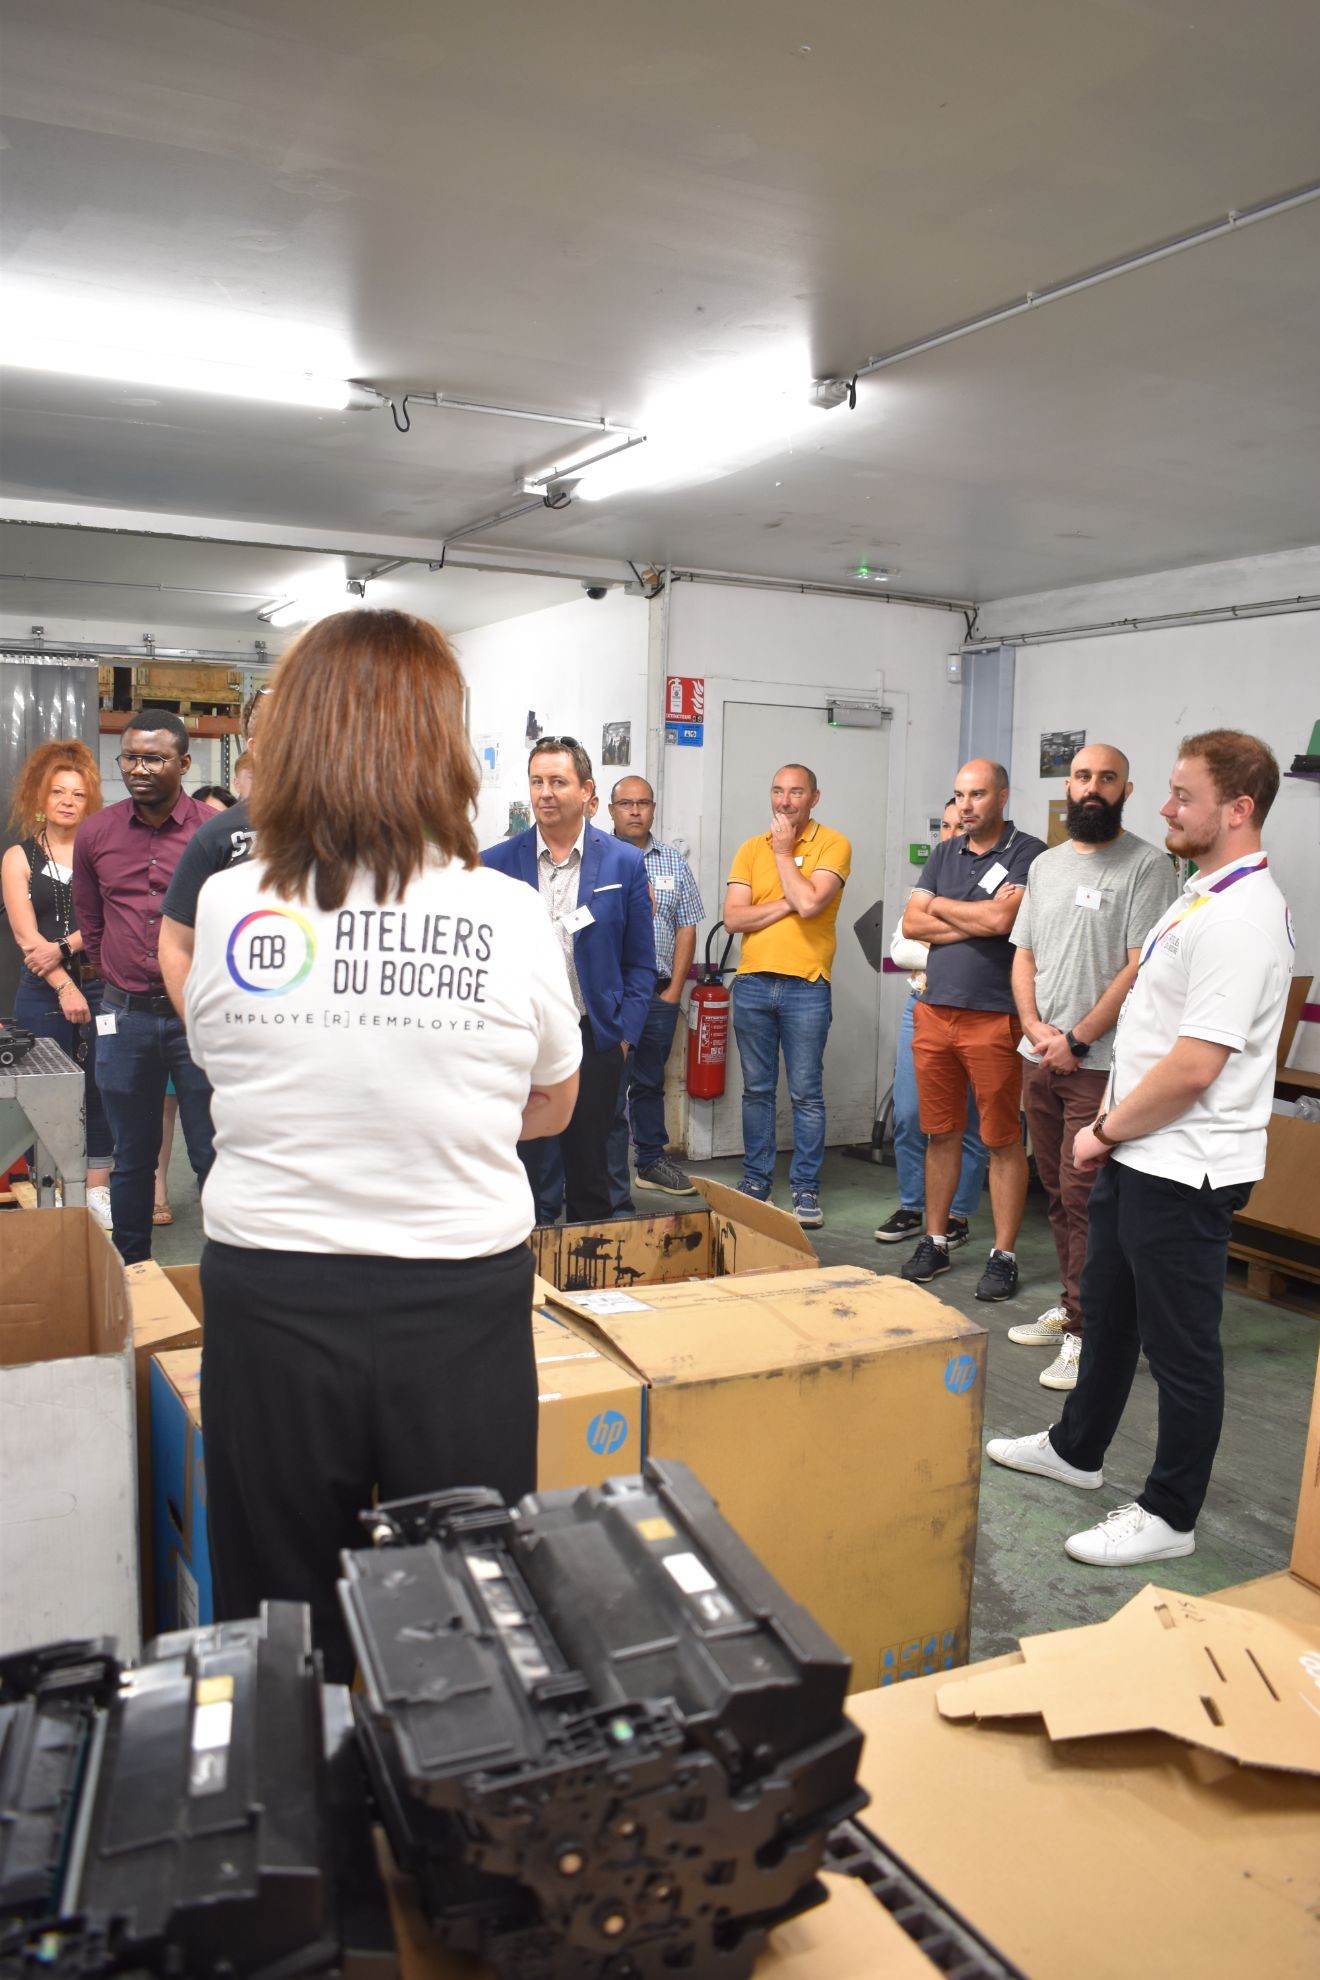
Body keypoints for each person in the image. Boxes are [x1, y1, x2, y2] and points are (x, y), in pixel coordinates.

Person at [175, 609, 581, 1680]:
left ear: (292, 740)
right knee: (466, 1612)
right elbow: (554, 1102)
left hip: (270, 1296)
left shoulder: (227, 902)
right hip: (458, 1304)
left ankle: (305, 1825)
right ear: (440, 745)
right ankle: (446, 1825)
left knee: (281, 1616)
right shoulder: (506, 911)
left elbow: (230, 1071)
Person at [988, 731, 1293, 1568]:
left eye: (1183, 797)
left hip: (1184, 1166)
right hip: (1141, 1154)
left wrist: (1102, 1130)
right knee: (1111, 1315)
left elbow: (1196, 1065)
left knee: (1184, 1347)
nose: (1165, 808)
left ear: (1237, 811)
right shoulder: (1199, 892)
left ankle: (1170, 1512)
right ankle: (1077, 1450)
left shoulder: (1240, 918)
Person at [1008, 745, 1176, 1389]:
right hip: (1038, 1054)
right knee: (1052, 1188)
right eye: (1083, 777)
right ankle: (1075, 1305)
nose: (1093, 788)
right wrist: (1032, 1028)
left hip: (1099, 1062)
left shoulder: (1147, 866)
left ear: (1126, 789)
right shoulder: (1046, 866)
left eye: (1107, 778)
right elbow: (1023, 955)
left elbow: (1138, 967)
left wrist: (1076, 1040)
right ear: (1068, 786)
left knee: (1086, 1198)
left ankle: (1090, 1331)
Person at [482, 737, 654, 1223]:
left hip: (593, 1036)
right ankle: (525, 1274)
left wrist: (623, 1036)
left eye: (558, 782)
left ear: (586, 792)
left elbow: (640, 962)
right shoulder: (494, 863)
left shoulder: (623, 862)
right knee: (521, 1168)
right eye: (537, 781)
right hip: (519, 1037)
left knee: (590, 1169)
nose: (545, 793)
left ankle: (588, 1275)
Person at [71, 709, 216, 1262]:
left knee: (211, 1153)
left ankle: (225, 1275)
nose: (139, 768)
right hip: (124, 1017)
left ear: (182, 762)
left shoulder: (212, 832)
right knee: (132, 1156)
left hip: (195, 1016)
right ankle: (134, 1270)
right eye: (130, 757)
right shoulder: (97, 833)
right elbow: (92, 921)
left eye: (154, 758)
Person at [899, 759, 1045, 1298]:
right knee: (939, 1132)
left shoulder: (1029, 854)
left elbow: (1004, 923)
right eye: (959, 795)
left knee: (1002, 1138)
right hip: (935, 1011)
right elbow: (913, 922)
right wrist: (973, 913)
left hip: (995, 1015)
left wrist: (942, 909)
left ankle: (1002, 1255)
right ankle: (934, 1242)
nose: (965, 805)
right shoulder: (943, 852)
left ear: (1002, 797)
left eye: (977, 794)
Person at [723, 764, 852, 1229]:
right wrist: (788, 902)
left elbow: (815, 903)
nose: (785, 801)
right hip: (754, 983)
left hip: (807, 986)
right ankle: (756, 1181)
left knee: (806, 1094)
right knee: (757, 1090)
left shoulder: (833, 844)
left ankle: (804, 1188)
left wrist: (782, 854)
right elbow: (734, 919)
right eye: (778, 791)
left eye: (796, 792)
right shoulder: (747, 849)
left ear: (814, 797)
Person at [2, 741, 113, 1225]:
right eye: (58, 792)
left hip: (103, 988)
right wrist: (65, 986)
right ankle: (49, 1188)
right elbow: (28, 936)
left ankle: (96, 1192)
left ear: (90, 802)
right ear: (40, 798)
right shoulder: (18, 857)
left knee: (103, 1088)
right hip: (42, 992)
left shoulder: (101, 853)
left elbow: (112, 918)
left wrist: (65, 947)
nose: (68, 801)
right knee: (45, 1094)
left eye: (78, 794)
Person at [876, 797, 989, 1249]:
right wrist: (973, 933)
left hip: (979, 1010)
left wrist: (937, 933)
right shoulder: (925, 885)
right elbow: (902, 951)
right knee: (909, 1114)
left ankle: (958, 1215)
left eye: (957, 825)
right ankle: (911, 1205)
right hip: (922, 1006)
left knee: (970, 1122)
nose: (950, 834)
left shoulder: (994, 887)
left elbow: (999, 941)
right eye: (943, 826)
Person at [606, 775, 704, 1203]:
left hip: (659, 994)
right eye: (625, 803)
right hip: (610, 996)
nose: (634, 811)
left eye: (642, 803)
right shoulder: (597, 857)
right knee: (606, 1086)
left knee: (649, 1082)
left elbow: (687, 924)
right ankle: (599, 1173)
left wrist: (675, 991)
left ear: (653, 809)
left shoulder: (673, 862)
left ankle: (649, 1161)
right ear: (610, 810)